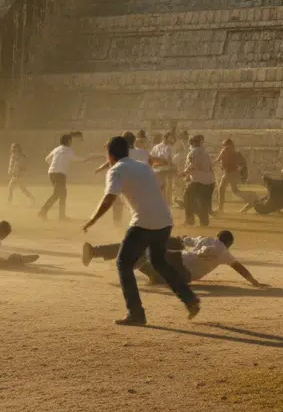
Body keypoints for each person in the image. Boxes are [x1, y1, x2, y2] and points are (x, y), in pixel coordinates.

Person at [83, 135, 200, 326]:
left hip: (143, 222)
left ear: (110, 155)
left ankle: (136, 313)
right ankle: (190, 299)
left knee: (123, 263)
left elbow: (109, 198)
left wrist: (92, 220)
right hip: (164, 220)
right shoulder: (142, 166)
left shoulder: (116, 171)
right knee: (159, 262)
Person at [82, 229, 267, 287]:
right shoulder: (224, 251)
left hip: (178, 263)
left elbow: (186, 240)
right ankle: (141, 264)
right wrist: (255, 282)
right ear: (229, 243)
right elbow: (239, 267)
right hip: (182, 273)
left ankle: (97, 252)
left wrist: (182, 241)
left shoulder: (208, 240)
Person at [39, 133, 76, 221]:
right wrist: (88, 159)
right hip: (60, 174)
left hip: (51, 173)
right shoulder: (68, 150)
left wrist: (54, 166)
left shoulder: (56, 149)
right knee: (58, 194)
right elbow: (76, 159)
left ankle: (61, 216)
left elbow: (47, 159)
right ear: (69, 141)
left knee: (62, 194)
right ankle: (43, 212)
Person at [182, 134, 215, 227]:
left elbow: (192, 166)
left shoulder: (192, 153)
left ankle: (190, 220)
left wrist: (184, 173)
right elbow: (210, 167)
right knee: (203, 202)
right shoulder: (205, 153)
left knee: (187, 198)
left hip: (198, 181)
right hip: (210, 181)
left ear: (191, 144)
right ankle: (204, 221)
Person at [213, 139, 247, 211]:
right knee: (235, 191)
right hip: (235, 173)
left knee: (221, 188)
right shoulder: (234, 151)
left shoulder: (225, 150)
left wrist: (210, 164)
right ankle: (251, 197)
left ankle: (220, 208)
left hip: (228, 173)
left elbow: (218, 159)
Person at [150, 133, 176, 202]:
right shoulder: (157, 147)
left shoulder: (168, 148)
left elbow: (170, 161)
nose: (171, 139)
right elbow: (151, 159)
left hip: (163, 171)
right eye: (170, 138)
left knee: (165, 190)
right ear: (165, 138)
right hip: (160, 171)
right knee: (162, 190)